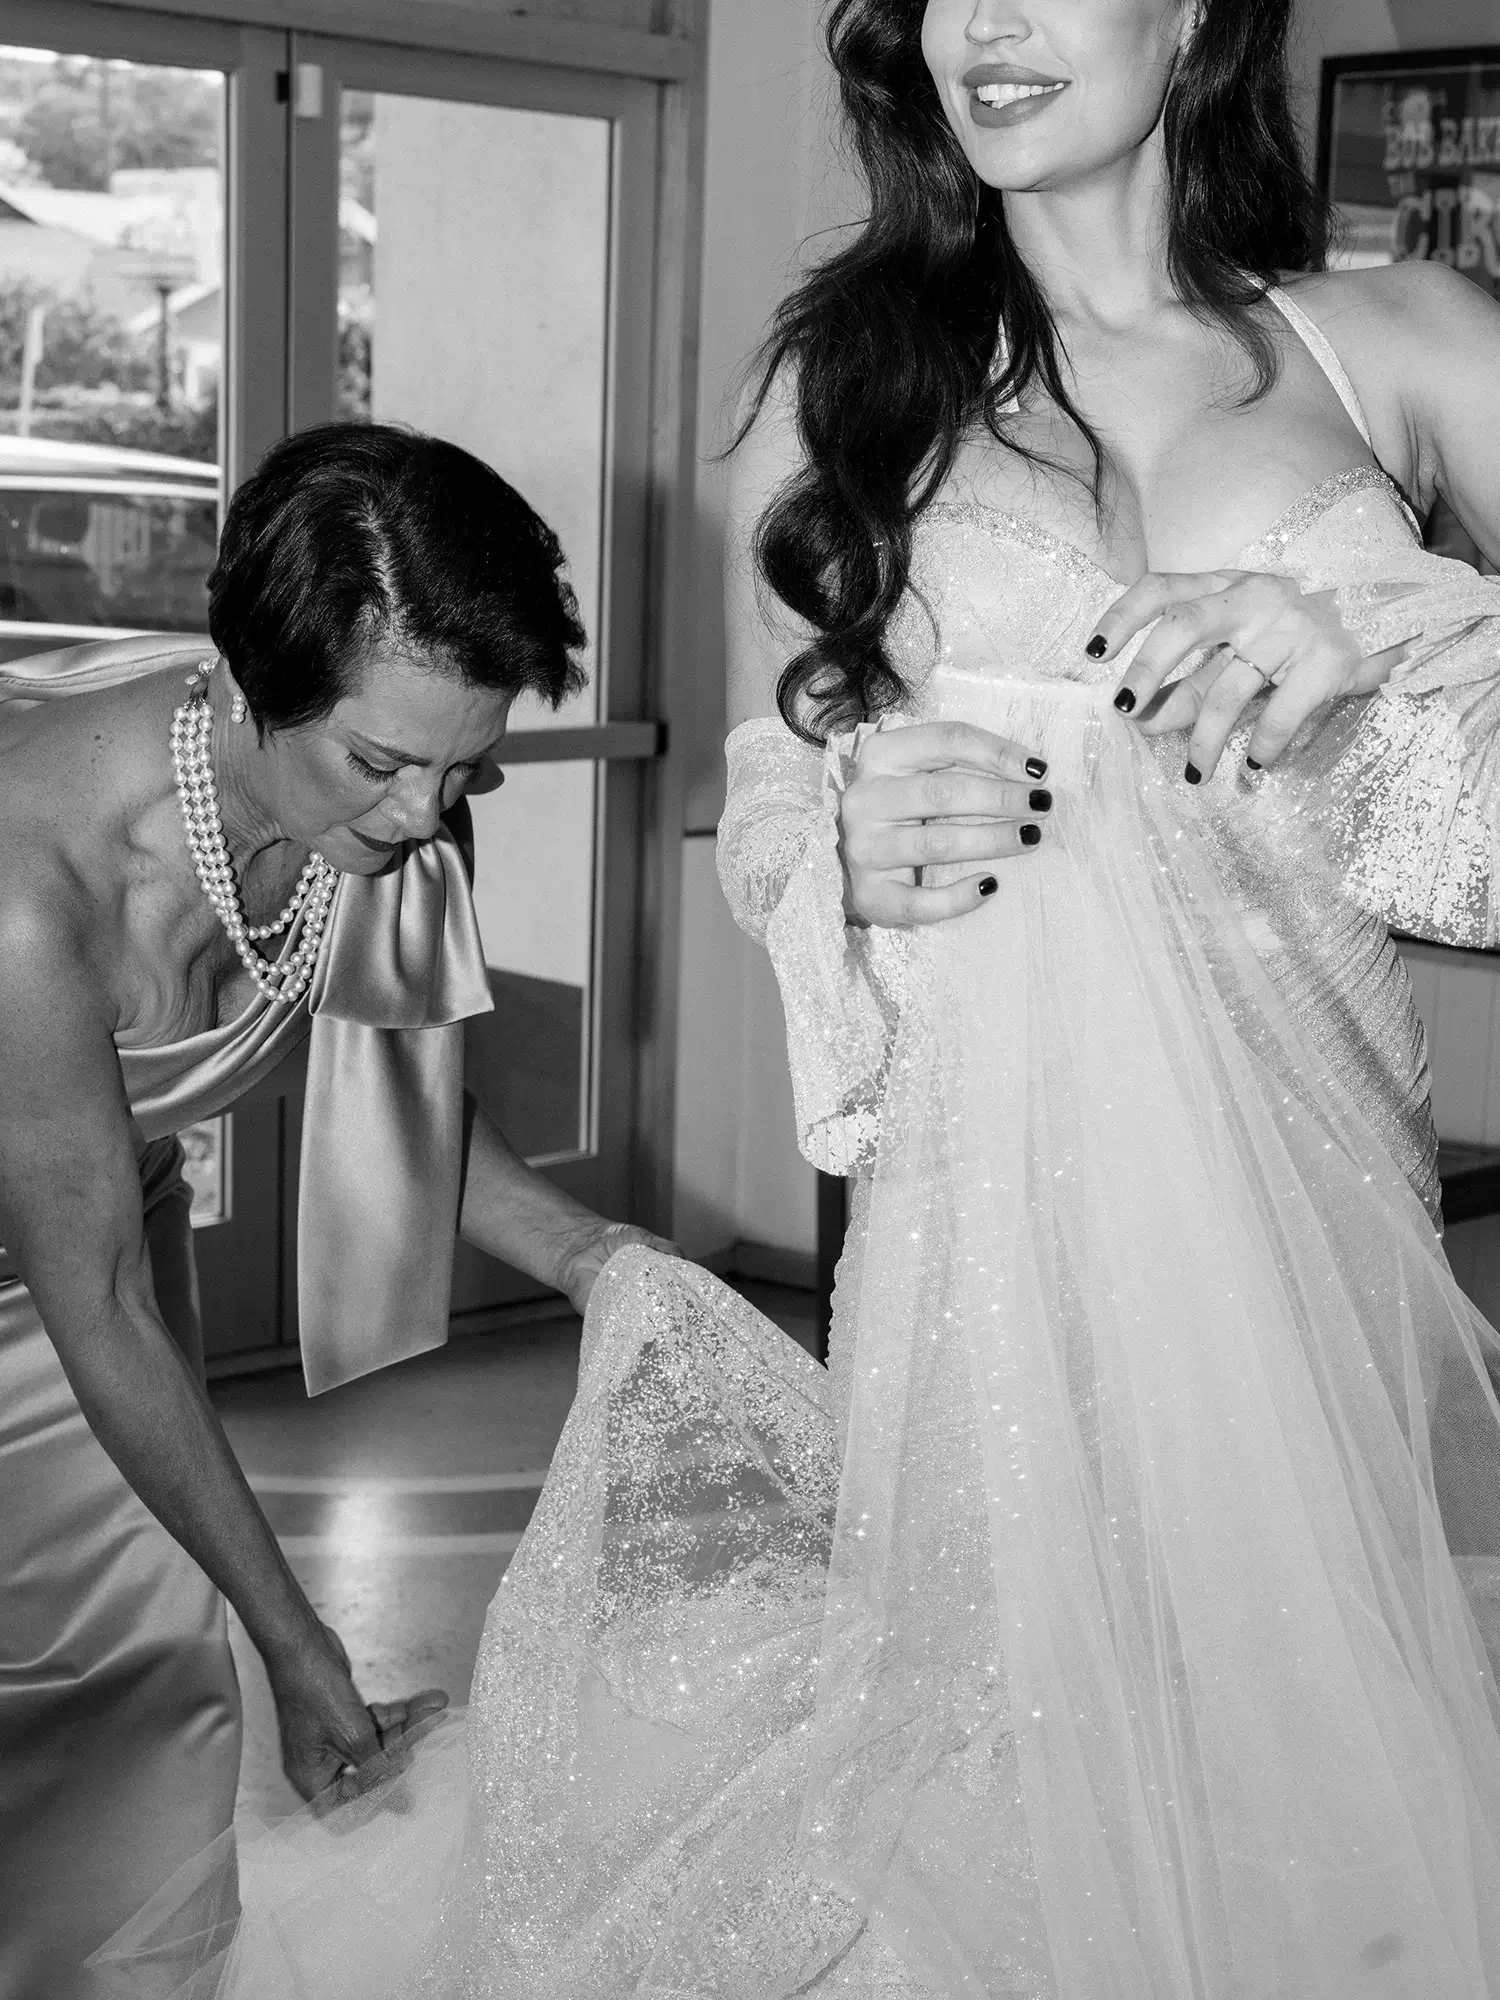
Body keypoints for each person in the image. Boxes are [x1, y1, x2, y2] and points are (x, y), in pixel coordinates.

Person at [90, 1, 1500, 1994]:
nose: (982, 26)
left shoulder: (1415, 341)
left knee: (1284, 1727)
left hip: (1316, 1182)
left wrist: (1366, 648)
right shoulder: (842, 397)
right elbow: (767, 794)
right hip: (993, 1201)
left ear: (1191, 11)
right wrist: (847, 845)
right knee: (992, 1724)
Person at [0, 421, 669, 2000]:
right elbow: (85, 1293)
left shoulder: (386, 817)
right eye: (382, 764)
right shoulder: (32, 893)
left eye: (468, 765)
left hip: (102, 1306)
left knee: (142, 1701)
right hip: (80, 1303)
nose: (431, 815)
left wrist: (593, 1257)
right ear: (243, 681)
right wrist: (304, 1642)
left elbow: (404, 1113)